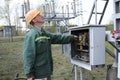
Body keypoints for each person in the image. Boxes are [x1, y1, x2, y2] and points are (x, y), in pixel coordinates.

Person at [23, 9, 78, 80]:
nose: (41, 16)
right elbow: (28, 56)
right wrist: (29, 74)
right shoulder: (31, 35)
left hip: (46, 72)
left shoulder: (44, 33)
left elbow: (58, 38)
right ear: (34, 20)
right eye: (38, 15)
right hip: (38, 74)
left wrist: (72, 38)